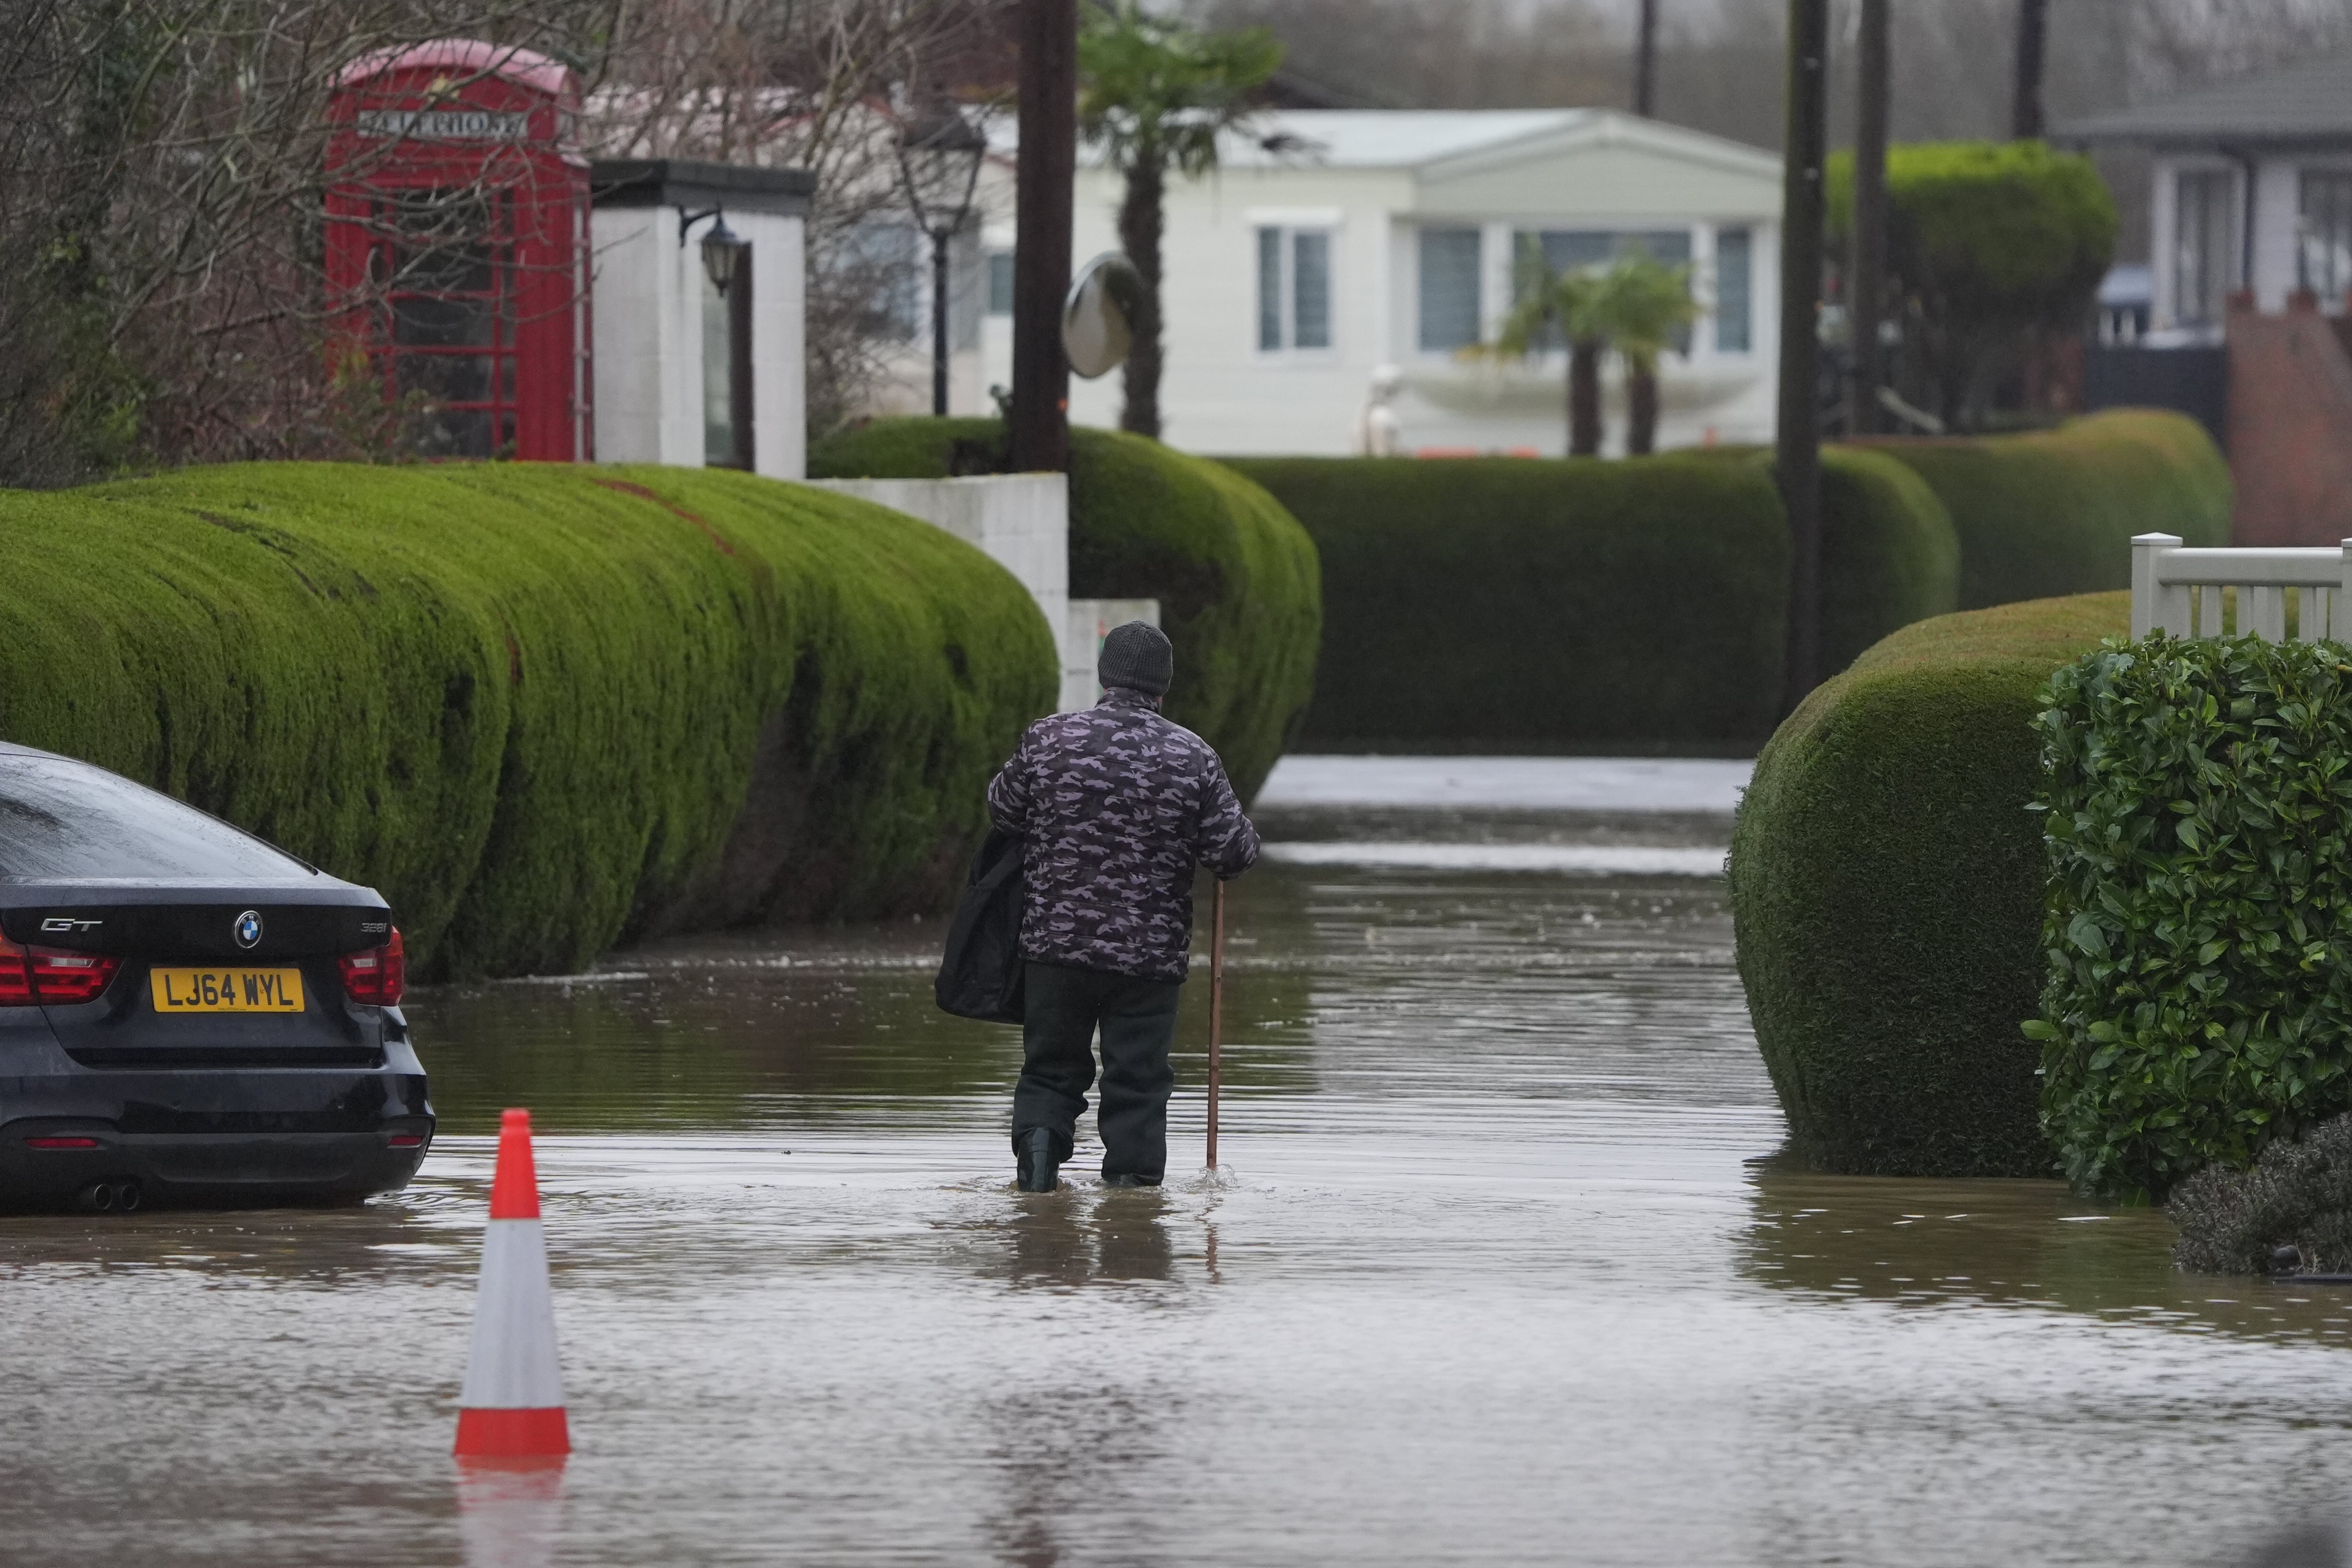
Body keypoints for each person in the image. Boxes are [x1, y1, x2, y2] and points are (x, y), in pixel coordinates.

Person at [985, 621, 1260, 1192]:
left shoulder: (1049, 737)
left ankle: (1037, 1167)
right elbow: (1233, 853)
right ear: (1163, 686)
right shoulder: (1193, 755)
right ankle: (1134, 1204)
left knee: (1051, 1068)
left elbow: (1003, 809)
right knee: (1137, 1080)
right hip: (1149, 957)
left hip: (1055, 945)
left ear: (1105, 675)